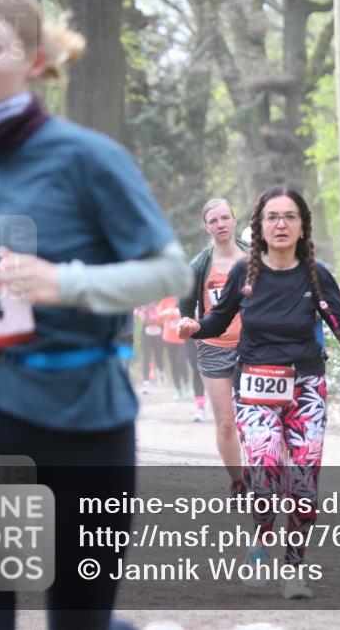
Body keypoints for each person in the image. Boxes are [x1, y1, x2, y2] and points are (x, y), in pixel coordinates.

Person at [0, 0, 191, 629]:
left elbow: (168, 272)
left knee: (78, 620)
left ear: (31, 60)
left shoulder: (88, 158)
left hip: (87, 415)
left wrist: (64, 283)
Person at [177, 187, 340, 599]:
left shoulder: (314, 273)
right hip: (254, 384)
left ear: (302, 225)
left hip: (306, 386)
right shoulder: (245, 272)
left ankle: (294, 566)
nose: (280, 224)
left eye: (289, 217)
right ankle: (260, 542)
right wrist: (194, 328)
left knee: (305, 483)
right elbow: (218, 321)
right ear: (258, 226)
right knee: (267, 469)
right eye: (272, 217)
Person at [178, 198, 248, 491]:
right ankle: (238, 481)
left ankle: (269, 480)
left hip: (255, 349)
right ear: (206, 226)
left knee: (261, 421)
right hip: (213, 348)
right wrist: (187, 328)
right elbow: (185, 311)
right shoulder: (199, 266)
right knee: (226, 423)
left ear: (234, 220)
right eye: (213, 221)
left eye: (224, 218)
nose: (220, 225)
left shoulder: (255, 258)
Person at [157, 294, 196, 402]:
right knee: (173, 364)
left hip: (183, 338)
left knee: (181, 362)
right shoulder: (165, 300)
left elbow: (191, 314)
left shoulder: (185, 297)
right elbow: (158, 317)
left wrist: (178, 313)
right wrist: (166, 312)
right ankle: (178, 390)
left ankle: (187, 385)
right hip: (169, 337)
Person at [135, 300, 167, 392]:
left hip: (158, 331)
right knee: (146, 357)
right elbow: (136, 311)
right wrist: (142, 314)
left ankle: (161, 372)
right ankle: (146, 381)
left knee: (159, 357)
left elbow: (165, 314)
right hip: (146, 332)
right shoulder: (143, 301)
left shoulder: (161, 301)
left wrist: (158, 317)